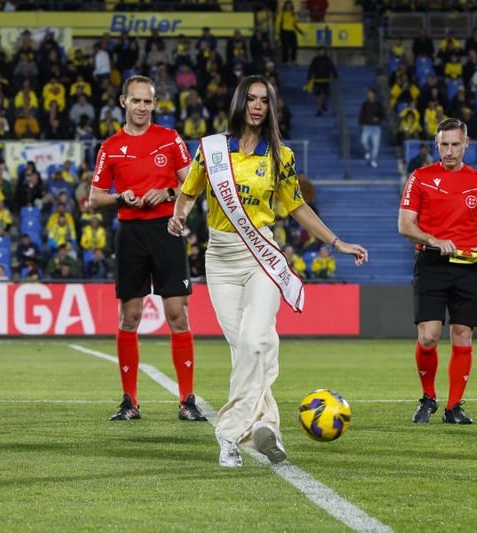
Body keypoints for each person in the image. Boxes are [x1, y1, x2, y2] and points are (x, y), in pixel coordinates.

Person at [168, 75, 369, 467]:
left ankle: (229, 435)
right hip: (221, 259)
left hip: (260, 256)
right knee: (243, 348)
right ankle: (265, 426)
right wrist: (179, 215)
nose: (257, 106)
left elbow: (297, 207)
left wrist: (336, 242)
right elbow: (188, 194)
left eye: (264, 100)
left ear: (271, 107)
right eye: (251, 98)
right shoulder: (211, 149)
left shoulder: (281, 156)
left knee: (257, 338)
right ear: (239, 102)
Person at [88, 75, 206, 423]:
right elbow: (94, 198)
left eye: (147, 101)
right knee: (130, 316)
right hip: (131, 233)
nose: (142, 107)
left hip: (167, 229)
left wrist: (168, 193)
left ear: (154, 104)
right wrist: (120, 197)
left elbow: (194, 184)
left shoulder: (170, 139)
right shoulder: (111, 146)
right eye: (136, 100)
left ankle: (187, 400)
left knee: (177, 314)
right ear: (123, 102)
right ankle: (130, 401)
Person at [398, 118, 477, 425]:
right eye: (443, 144)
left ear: (466, 144)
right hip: (431, 263)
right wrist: (433, 240)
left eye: (455, 144)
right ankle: (428, 398)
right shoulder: (420, 177)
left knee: (463, 335)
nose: (449, 151)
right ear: (436, 144)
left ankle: (454, 407)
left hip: (468, 267)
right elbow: (405, 225)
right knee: (429, 337)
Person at [306, 46, 338, 117]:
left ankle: (323, 104)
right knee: (318, 95)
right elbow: (311, 69)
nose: (321, 52)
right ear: (317, 52)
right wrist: (309, 78)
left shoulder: (327, 60)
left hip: (325, 80)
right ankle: (319, 110)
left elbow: (332, 67)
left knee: (325, 94)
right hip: (317, 80)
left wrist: (335, 75)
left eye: (323, 51)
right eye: (320, 51)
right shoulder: (315, 60)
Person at [358, 88, 385, 168]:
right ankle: (368, 151)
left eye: (370, 93)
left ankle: (373, 160)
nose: (368, 95)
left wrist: (378, 118)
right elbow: (361, 114)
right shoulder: (365, 104)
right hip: (367, 126)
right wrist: (360, 124)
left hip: (376, 127)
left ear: (374, 94)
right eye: (368, 94)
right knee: (363, 141)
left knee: (376, 145)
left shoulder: (378, 104)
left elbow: (382, 114)